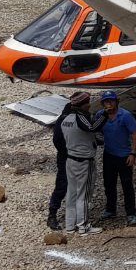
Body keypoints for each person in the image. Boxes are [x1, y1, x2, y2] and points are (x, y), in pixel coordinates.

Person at [61, 96, 108, 234]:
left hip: (70, 159)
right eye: (87, 103)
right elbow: (92, 128)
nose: (89, 105)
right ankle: (83, 226)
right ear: (82, 105)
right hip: (83, 162)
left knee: (72, 194)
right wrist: (105, 114)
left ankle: (70, 226)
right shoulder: (80, 118)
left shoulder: (66, 119)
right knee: (84, 195)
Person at [47, 92, 91, 230]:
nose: (89, 105)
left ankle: (74, 218)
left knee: (74, 187)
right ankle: (53, 214)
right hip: (68, 157)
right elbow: (58, 140)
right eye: (87, 103)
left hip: (73, 156)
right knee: (64, 185)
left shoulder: (75, 115)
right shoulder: (69, 117)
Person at [99, 90, 136, 226]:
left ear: (116, 102)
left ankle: (131, 213)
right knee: (109, 184)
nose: (109, 104)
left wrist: (133, 153)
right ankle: (110, 209)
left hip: (124, 156)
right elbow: (94, 129)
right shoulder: (101, 115)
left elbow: (135, 133)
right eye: (106, 101)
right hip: (108, 154)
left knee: (127, 185)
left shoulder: (125, 115)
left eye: (111, 101)